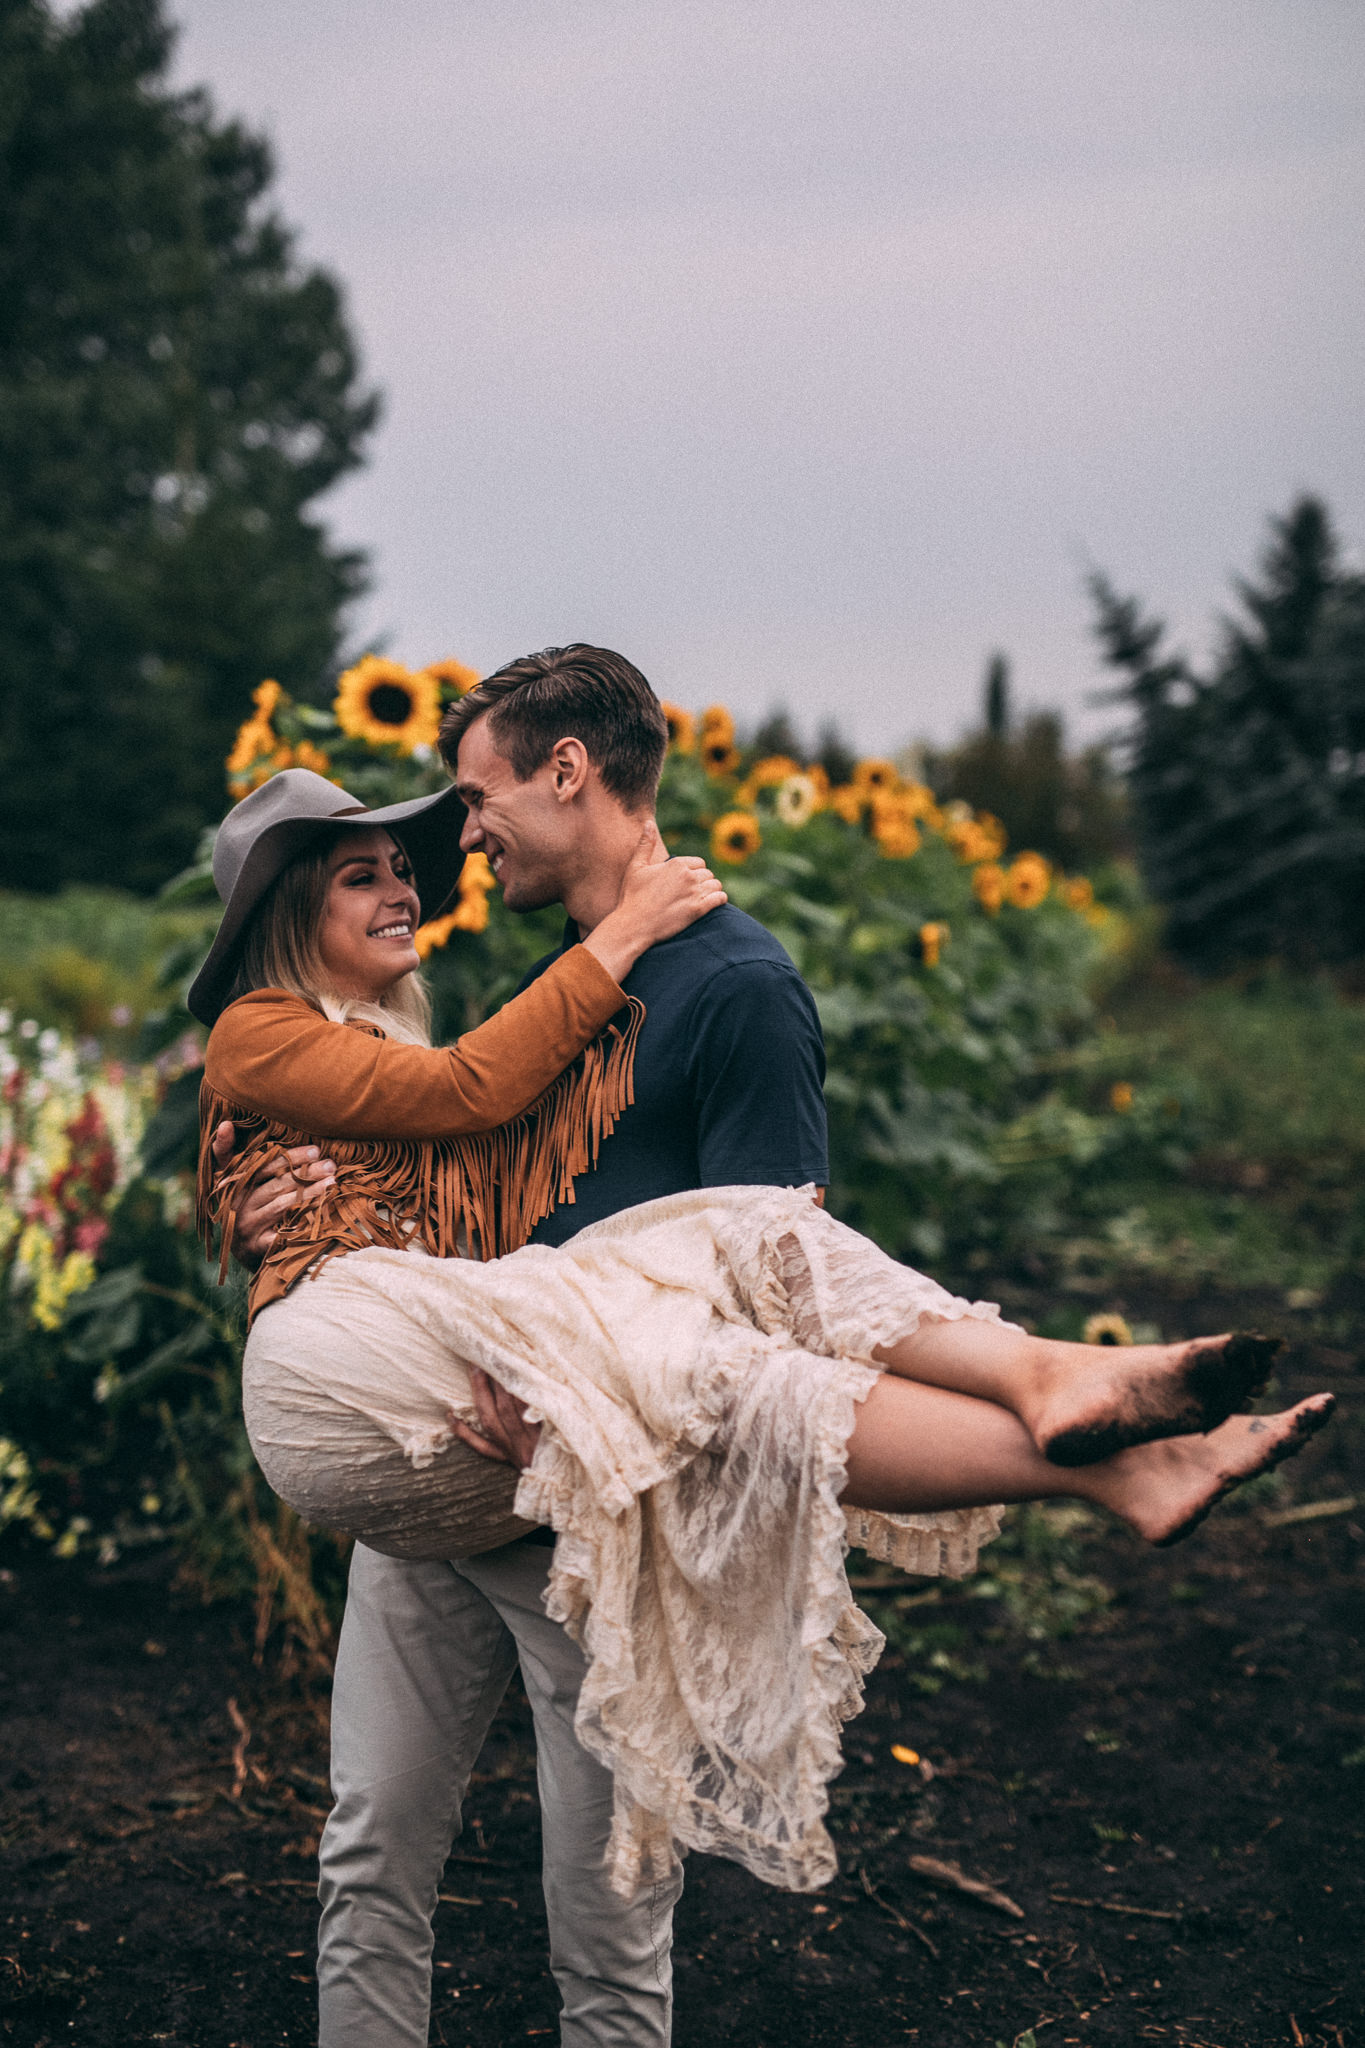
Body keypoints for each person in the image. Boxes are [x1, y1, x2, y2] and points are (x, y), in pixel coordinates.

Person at [203, 648, 1330, 2048]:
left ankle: (1070, 1409)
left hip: (599, 1504)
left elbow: (785, 1287)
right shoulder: (553, 986)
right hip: (457, 1463)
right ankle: (1069, 1411)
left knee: (609, 1915)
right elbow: (440, 1157)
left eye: (479, 796)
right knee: (369, 1851)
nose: (460, 842)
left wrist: (572, 1409)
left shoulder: (733, 989)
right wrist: (282, 1220)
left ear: (569, 772)